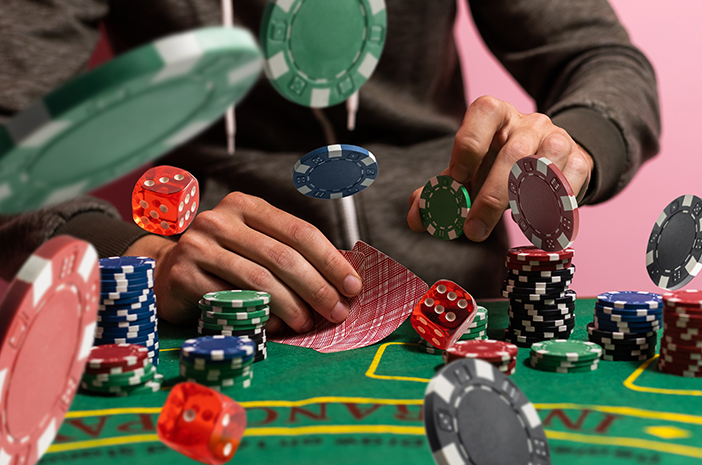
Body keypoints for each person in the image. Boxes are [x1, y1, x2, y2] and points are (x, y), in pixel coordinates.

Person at [0, 0, 660, 335]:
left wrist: (571, 142)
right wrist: (142, 257)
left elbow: (604, 61)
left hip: (462, 311)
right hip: (218, 321)